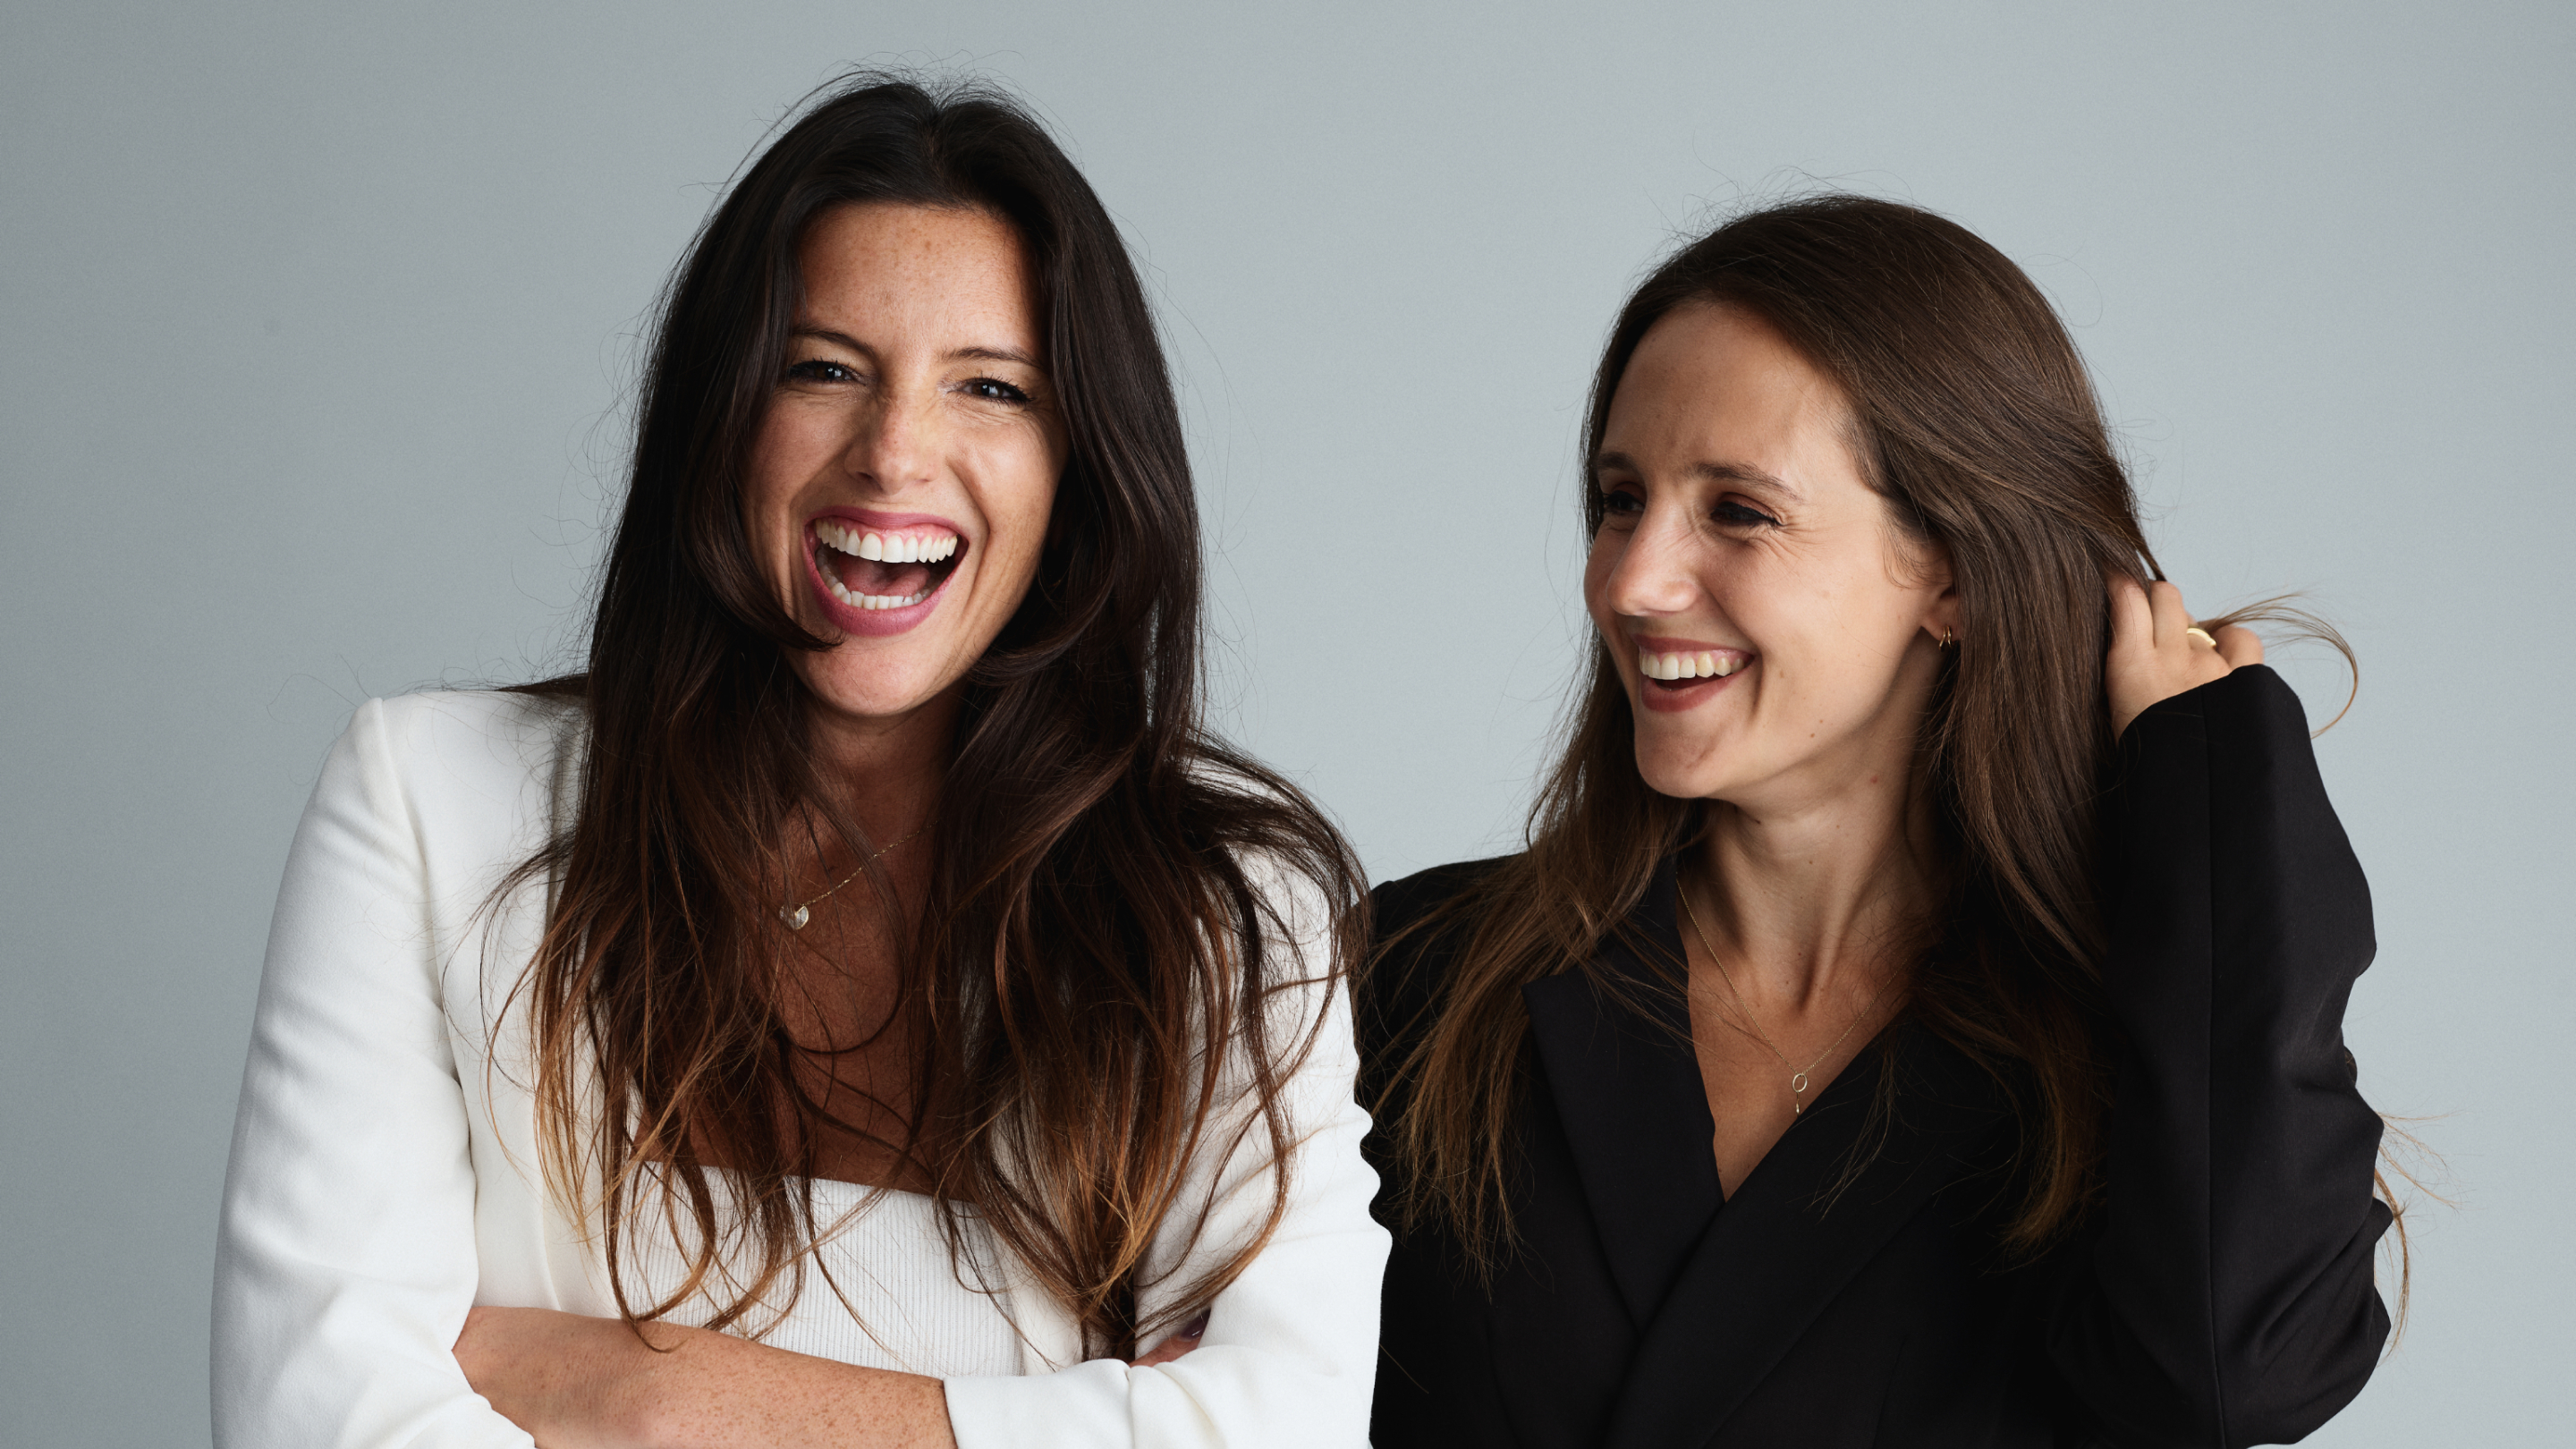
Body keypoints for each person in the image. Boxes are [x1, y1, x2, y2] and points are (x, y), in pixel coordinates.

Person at [213, 76, 1385, 1449]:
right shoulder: (428, 807)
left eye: (991, 388)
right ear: (722, 416)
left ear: (1078, 468)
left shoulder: (1221, 912)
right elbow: (319, 1412)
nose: (895, 454)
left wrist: (659, 1400)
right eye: (823, 368)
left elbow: (1288, 1423)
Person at [1360, 197, 2394, 1447]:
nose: (1632, 581)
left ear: (1952, 572)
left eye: (1739, 511)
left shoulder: (2111, 1045)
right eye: (1620, 499)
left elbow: (2240, 1374)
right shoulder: (1419, 974)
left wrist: (2217, 778)